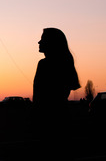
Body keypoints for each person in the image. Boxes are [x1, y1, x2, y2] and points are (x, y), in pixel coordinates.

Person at [32, 28, 80, 159]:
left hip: (48, 118)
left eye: (43, 39)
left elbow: (40, 95)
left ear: (51, 42)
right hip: (62, 117)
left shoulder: (44, 64)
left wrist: (35, 115)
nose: (39, 42)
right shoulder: (65, 63)